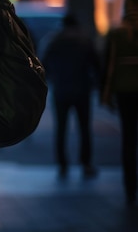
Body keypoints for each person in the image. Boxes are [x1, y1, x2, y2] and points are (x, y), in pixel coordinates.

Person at [41, 14, 100, 179]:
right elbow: (96, 65)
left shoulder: (54, 40)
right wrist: (94, 84)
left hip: (61, 90)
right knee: (84, 128)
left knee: (61, 128)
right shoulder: (85, 41)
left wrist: (53, 78)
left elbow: (43, 64)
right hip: (82, 89)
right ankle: (86, 163)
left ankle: (62, 164)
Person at [100, 0, 138, 206]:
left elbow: (109, 65)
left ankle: (130, 187)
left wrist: (106, 94)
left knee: (128, 140)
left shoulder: (117, 33)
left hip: (124, 91)